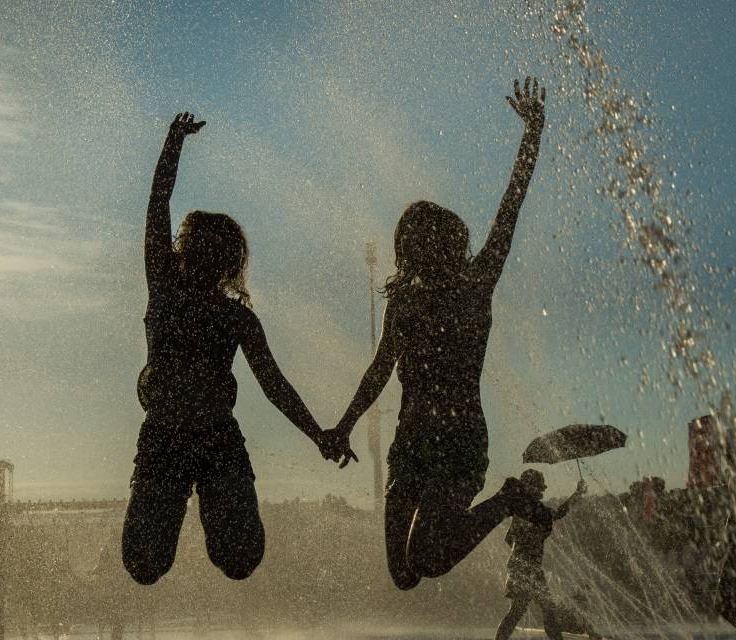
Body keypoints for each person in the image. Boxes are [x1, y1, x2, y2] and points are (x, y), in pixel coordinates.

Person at [325, 78, 548, 590]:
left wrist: (533, 132)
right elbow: (380, 368)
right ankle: (500, 504)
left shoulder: (477, 284)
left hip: (460, 444)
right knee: (403, 575)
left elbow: (510, 206)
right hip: (413, 443)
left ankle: (507, 501)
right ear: (416, 252)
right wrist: (343, 425)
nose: (437, 254)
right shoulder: (405, 302)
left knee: (428, 558)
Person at [122, 112, 351, 586]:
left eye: (212, 252)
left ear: (224, 262)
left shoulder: (234, 317)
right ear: (184, 253)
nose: (203, 258)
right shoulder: (164, 287)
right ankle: (195, 521)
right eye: (197, 248)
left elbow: (274, 385)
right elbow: (157, 203)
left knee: (240, 559)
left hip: (215, 440)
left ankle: (219, 521)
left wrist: (318, 434)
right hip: (165, 436)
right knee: (144, 564)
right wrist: (173, 141)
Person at [495, 471, 593, 640]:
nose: (541, 492)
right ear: (529, 488)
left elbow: (509, 539)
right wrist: (577, 494)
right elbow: (558, 513)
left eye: (541, 489)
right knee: (537, 610)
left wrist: (577, 494)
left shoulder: (526, 509)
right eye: (538, 488)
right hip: (526, 568)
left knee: (535, 610)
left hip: (524, 567)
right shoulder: (531, 509)